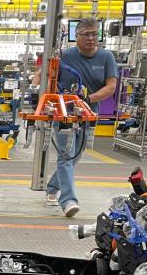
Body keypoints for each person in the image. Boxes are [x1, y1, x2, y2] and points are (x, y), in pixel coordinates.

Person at [44, 17, 119, 218]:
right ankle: (68, 200)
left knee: (75, 157)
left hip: (89, 114)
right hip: (64, 113)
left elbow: (111, 86)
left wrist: (88, 99)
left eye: (95, 34)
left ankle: (52, 187)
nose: (91, 38)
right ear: (76, 36)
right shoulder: (65, 57)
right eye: (86, 34)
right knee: (66, 155)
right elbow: (48, 79)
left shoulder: (106, 57)